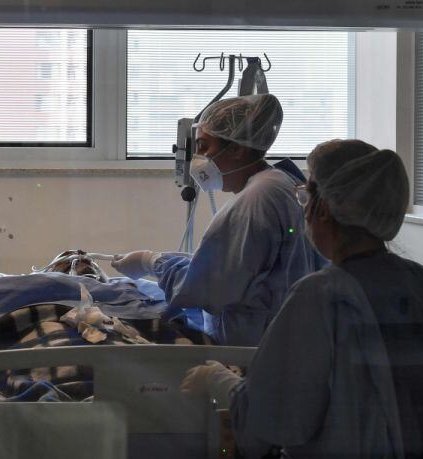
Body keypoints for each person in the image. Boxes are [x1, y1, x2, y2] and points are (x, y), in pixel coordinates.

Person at [181, 141, 423, 459]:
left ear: (324, 209)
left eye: (305, 196)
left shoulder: (321, 297)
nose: (303, 208)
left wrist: (218, 380)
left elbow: (271, 422)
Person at [113, 94, 322, 346]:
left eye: (203, 146)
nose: (197, 157)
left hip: (252, 346)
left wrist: (150, 262)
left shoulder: (256, 199)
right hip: (283, 334)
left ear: (236, 148)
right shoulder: (279, 182)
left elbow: (209, 288)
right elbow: (237, 266)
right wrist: (165, 261)